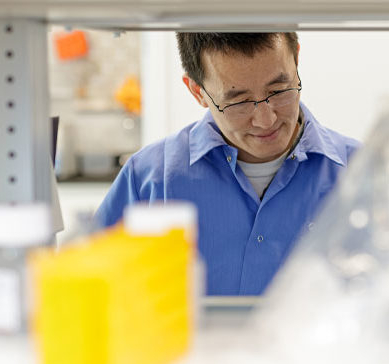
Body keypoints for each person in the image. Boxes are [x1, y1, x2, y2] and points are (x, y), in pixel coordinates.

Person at [96, 33, 359, 295]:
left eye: (279, 90)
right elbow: (93, 295)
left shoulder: (361, 173)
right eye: (239, 101)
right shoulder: (148, 179)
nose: (266, 119)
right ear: (197, 91)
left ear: (296, 59)